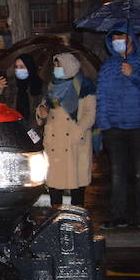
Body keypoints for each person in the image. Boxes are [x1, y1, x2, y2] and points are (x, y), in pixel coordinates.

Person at [94, 24, 140, 230]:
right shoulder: (108, 66)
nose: (117, 42)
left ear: (131, 38)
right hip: (114, 128)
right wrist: (103, 126)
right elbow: (102, 98)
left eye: (121, 38)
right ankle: (118, 216)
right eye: (114, 38)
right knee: (117, 174)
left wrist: (134, 74)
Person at [37, 52, 97, 206]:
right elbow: (44, 106)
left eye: (59, 65)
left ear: (69, 66)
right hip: (54, 142)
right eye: (55, 65)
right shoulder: (52, 85)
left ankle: (77, 220)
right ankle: (55, 218)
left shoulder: (84, 85)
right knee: (54, 185)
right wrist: (41, 112)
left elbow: (90, 114)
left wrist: (77, 132)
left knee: (76, 183)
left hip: (74, 142)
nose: (56, 68)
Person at [0, 53, 44, 125]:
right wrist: (0, 90)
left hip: (33, 128)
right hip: (12, 127)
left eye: (22, 67)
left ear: (29, 67)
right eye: (16, 67)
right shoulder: (9, 83)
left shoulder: (39, 84)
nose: (18, 70)